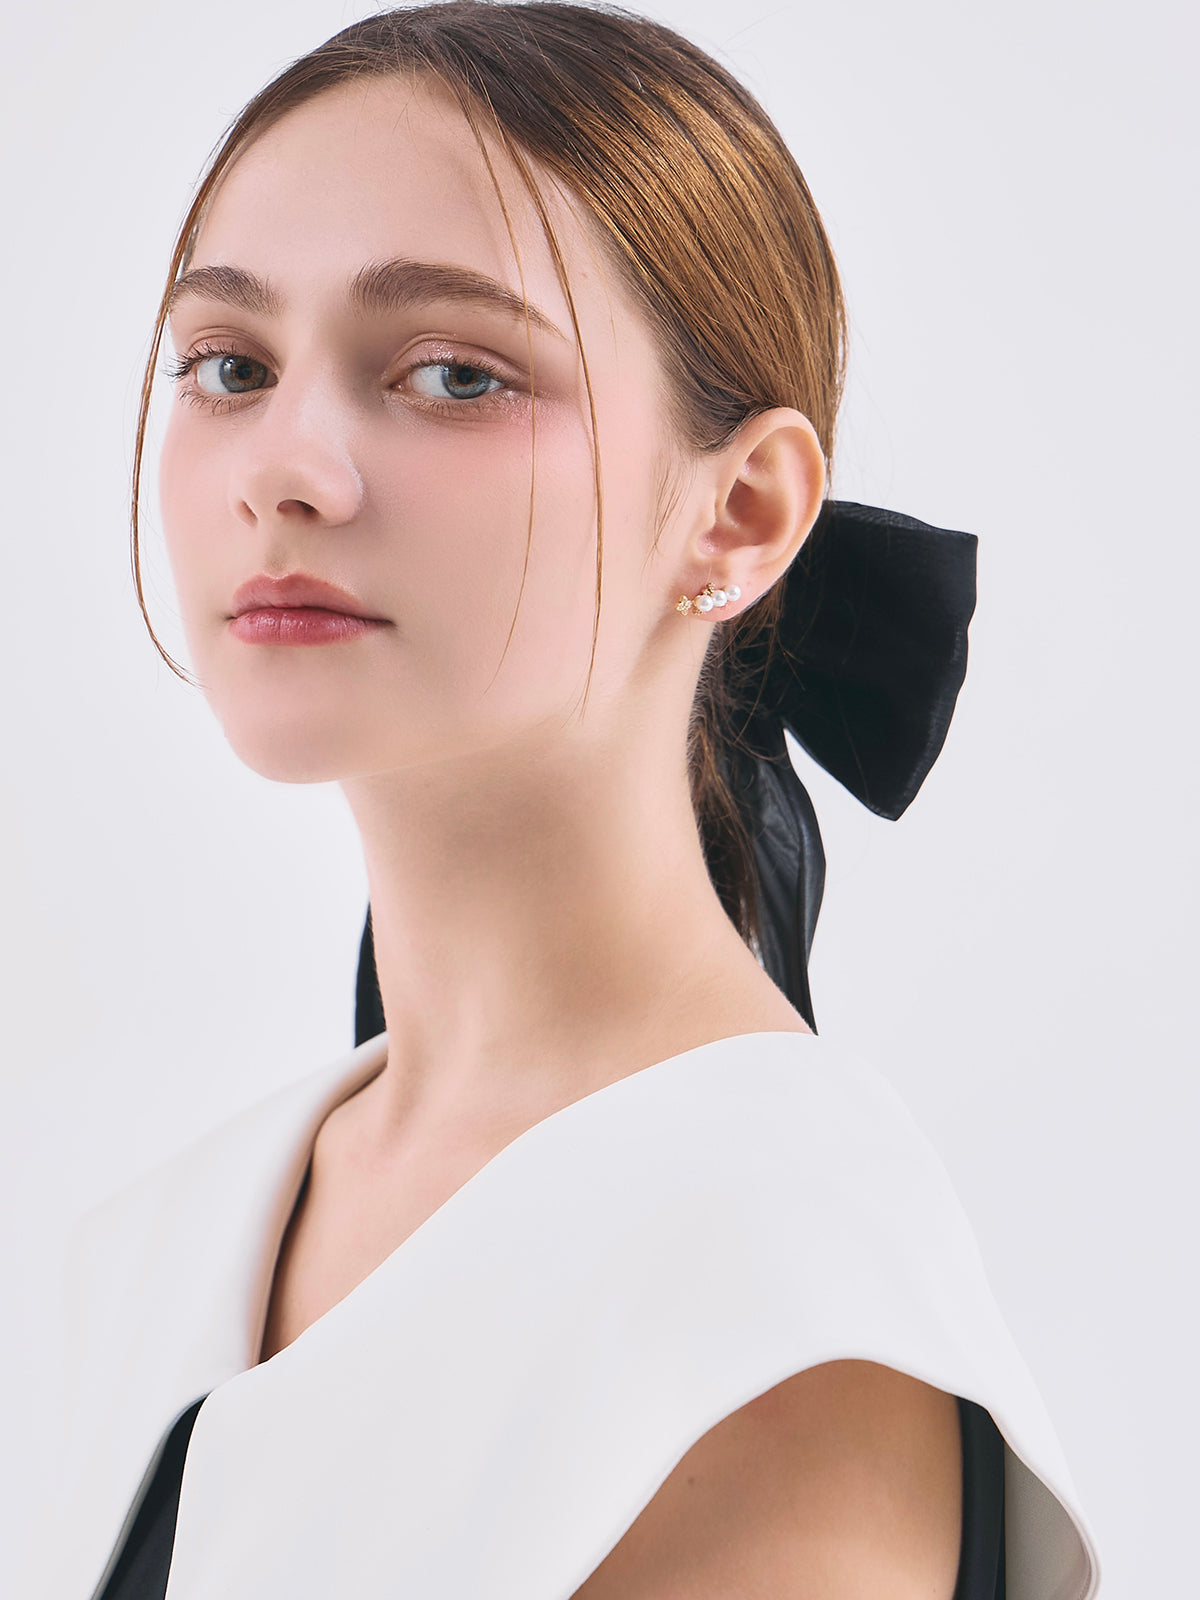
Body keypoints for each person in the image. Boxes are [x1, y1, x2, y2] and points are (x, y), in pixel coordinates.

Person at [45, 4, 1101, 1597]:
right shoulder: (150, 1246)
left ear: (740, 513)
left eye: (455, 374)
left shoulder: (773, 1299)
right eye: (228, 366)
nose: (283, 468)